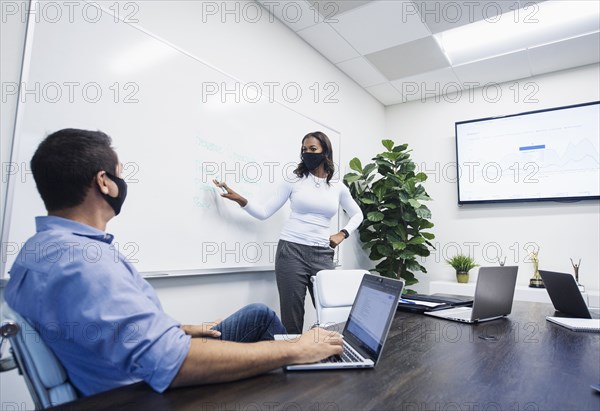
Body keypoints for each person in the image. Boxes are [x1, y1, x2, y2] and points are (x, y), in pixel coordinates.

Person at [4, 128, 342, 397]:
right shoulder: (84, 263)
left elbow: (97, 325)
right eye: (120, 175)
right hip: (147, 390)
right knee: (291, 346)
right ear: (104, 182)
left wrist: (178, 328)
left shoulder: (40, 250)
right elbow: (175, 364)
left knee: (259, 315)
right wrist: (294, 349)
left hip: (139, 360)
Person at [213, 131, 363, 334]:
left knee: (329, 314)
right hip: (291, 252)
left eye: (313, 149)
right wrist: (240, 199)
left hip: (322, 254)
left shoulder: (338, 187)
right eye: (304, 149)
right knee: (292, 318)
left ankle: (331, 360)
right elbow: (264, 212)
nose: (307, 153)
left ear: (325, 151)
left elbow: (357, 215)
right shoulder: (293, 181)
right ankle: (292, 360)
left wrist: (342, 234)